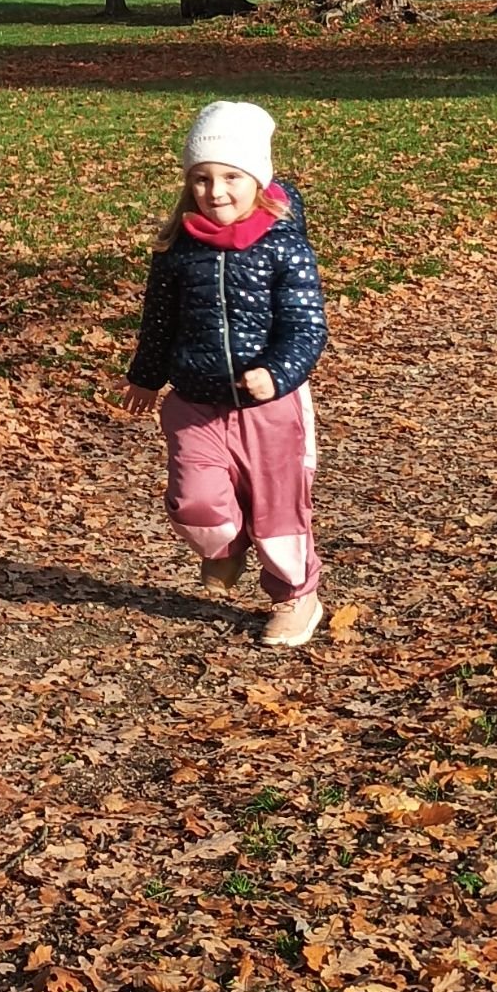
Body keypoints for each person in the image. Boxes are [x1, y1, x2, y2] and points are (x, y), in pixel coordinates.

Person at [121, 99, 330, 652]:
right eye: (202, 178)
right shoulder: (177, 248)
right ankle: (225, 548)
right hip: (195, 399)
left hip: (269, 406)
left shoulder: (283, 244)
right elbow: (159, 320)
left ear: (256, 179)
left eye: (231, 177)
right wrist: (146, 376)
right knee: (193, 500)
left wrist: (277, 374)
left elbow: (307, 325)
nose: (215, 192)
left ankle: (296, 597)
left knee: (278, 509)